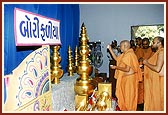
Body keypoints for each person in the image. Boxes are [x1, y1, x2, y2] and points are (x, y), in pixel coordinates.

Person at [107, 40, 142, 111]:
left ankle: (129, 110)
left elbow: (127, 69)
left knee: (128, 97)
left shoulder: (129, 55)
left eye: (120, 46)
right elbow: (117, 59)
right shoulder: (126, 54)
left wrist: (116, 67)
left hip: (129, 80)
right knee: (125, 96)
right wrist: (110, 49)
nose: (120, 48)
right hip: (126, 79)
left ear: (125, 46)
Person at [143, 36, 164, 111]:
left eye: (154, 42)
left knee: (160, 103)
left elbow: (157, 69)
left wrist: (146, 63)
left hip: (161, 82)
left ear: (159, 43)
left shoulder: (162, 52)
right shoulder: (158, 52)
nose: (152, 44)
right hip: (157, 80)